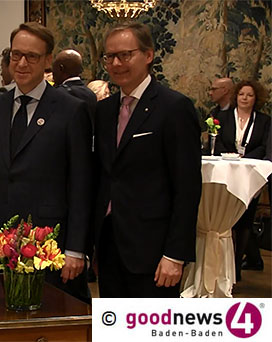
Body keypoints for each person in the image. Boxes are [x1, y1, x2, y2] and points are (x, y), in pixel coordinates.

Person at [0, 22, 93, 303]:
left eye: (31, 56)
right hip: (0, 239)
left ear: (47, 61)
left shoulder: (70, 109)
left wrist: (77, 249)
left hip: (49, 241)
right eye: (16, 55)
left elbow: (81, 184)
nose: (22, 63)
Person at [93, 22, 201, 298]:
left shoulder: (174, 108)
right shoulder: (103, 111)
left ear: (149, 55)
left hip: (153, 250)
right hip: (109, 244)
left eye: (125, 55)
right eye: (109, 57)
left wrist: (175, 255)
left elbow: (187, 187)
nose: (116, 63)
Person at [214, 80, 270, 280]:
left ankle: (236, 270)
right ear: (236, 96)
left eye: (250, 95)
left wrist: (245, 159)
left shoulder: (264, 121)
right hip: (225, 173)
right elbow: (217, 141)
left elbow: (264, 147)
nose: (245, 98)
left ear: (256, 99)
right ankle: (219, 270)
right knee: (225, 222)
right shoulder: (222, 117)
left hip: (249, 175)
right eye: (241, 94)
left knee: (244, 222)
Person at [52, 49, 97, 126]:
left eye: (54, 68)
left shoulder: (58, 94)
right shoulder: (91, 94)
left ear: (61, 68)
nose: (52, 73)